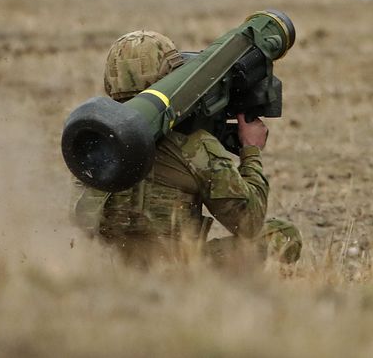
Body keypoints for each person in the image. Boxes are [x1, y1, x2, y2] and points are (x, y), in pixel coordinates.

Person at [72, 30, 301, 265]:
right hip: (178, 273)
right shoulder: (195, 147)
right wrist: (251, 151)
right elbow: (248, 222)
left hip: (110, 268)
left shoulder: (92, 141)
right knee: (282, 234)